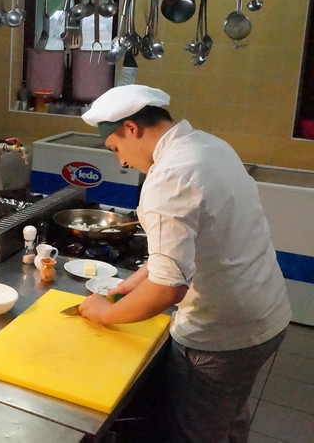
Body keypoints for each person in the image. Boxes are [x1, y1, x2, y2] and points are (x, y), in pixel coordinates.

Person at [78, 84, 291, 443]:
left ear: (131, 128)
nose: (123, 162)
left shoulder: (168, 177)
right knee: (229, 416)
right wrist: (133, 283)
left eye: (116, 149)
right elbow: (192, 240)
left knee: (196, 433)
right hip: (266, 314)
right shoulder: (209, 146)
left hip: (221, 336)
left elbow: (168, 289)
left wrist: (105, 313)